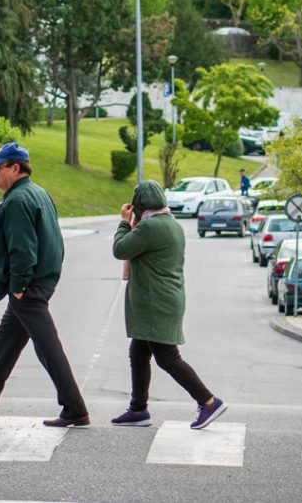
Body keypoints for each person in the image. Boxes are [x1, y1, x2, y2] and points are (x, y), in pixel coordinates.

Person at [0, 142, 90, 428]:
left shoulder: (17, 201)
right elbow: (55, 241)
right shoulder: (37, 193)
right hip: (39, 282)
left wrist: (18, 286)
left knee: (48, 347)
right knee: (5, 342)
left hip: (28, 287)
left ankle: (75, 408)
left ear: (15, 168)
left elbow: (22, 249)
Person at [111, 179, 226, 430]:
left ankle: (208, 401)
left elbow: (120, 249)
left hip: (157, 302)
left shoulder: (150, 228)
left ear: (140, 205)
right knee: (139, 351)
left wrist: (124, 222)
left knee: (167, 357)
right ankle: (138, 409)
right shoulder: (171, 223)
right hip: (166, 298)